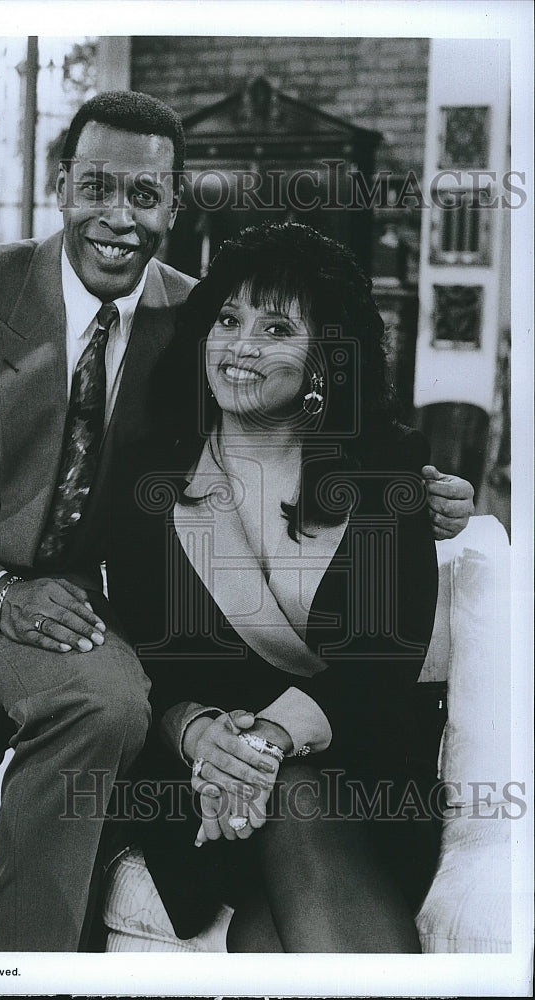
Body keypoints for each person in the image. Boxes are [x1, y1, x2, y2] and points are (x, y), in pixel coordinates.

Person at [0, 90, 473, 952]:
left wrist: (408, 491)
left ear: (175, 201)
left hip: (56, 597)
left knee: (108, 703)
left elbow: (304, 444)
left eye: (145, 194)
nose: (117, 217)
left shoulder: (191, 316)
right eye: (96, 186)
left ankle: (25, 967)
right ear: (61, 186)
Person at [110, 221, 445, 952]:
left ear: (324, 359)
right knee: (287, 860)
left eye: (276, 327)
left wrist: (268, 739)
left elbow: (386, 664)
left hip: (366, 773)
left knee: (282, 886)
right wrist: (200, 734)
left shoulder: (388, 468)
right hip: (205, 780)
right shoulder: (148, 479)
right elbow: (140, 659)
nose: (240, 347)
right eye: (227, 320)